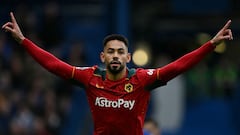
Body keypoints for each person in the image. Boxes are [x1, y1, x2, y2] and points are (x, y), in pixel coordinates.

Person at [2, 12, 233, 135]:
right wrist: (23, 42)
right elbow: (54, 65)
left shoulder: (142, 80)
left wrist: (211, 44)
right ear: (103, 57)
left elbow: (178, 66)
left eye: (120, 52)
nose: (115, 55)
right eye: (110, 51)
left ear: (127, 57)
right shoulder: (90, 77)